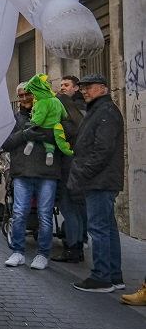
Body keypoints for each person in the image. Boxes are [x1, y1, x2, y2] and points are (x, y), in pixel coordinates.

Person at [69, 74, 125, 293]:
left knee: (99, 228)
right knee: (108, 228)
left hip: (99, 180)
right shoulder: (100, 110)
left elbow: (103, 149)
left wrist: (84, 172)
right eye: (82, 87)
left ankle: (102, 277)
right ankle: (113, 276)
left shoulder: (105, 112)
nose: (84, 91)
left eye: (89, 87)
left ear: (102, 88)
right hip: (101, 179)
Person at [2, 82, 61, 271]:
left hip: (47, 174)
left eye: (28, 94)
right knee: (19, 213)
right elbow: (6, 143)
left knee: (45, 215)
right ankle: (18, 251)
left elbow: (64, 139)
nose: (24, 98)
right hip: (22, 173)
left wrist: (47, 135)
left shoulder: (52, 112)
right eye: (20, 95)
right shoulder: (14, 120)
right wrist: (25, 134)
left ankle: (43, 254)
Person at [50, 93, 86, 263]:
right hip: (78, 171)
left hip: (67, 171)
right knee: (76, 211)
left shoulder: (63, 125)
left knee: (68, 210)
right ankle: (78, 246)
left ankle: (72, 248)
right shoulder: (79, 121)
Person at [22, 74, 72, 167]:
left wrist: (33, 123)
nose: (25, 98)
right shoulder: (56, 100)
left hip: (43, 126)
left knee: (34, 133)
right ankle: (50, 153)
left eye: (30, 93)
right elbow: (64, 113)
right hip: (56, 126)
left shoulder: (42, 102)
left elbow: (40, 117)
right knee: (50, 145)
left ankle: (30, 144)